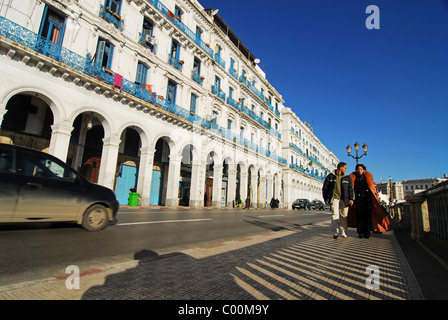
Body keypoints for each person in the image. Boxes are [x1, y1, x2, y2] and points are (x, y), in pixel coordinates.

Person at [348, 164, 391, 237]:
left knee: (367, 216)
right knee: (359, 216)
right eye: (358, 169)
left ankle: (367, 232)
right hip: (358, 200)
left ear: (364, 170)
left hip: (367, 199)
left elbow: (372, 189)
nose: (360, 171)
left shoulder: (367, 177)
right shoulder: (354, 178)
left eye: (361, 169)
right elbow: (352, 189)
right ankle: (360, 232)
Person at [322, 162, 354, 239]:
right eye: (345, 168)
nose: (346, 169)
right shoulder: (330, 176)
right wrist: (325, 197)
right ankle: (335, 231)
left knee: (343, 215)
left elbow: (350, 189)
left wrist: (351, 199)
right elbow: (325, 188)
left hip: (344, 199)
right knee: (335, 214)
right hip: (334, 198)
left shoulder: (347, 177)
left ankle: (343, 230)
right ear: (340, 168)